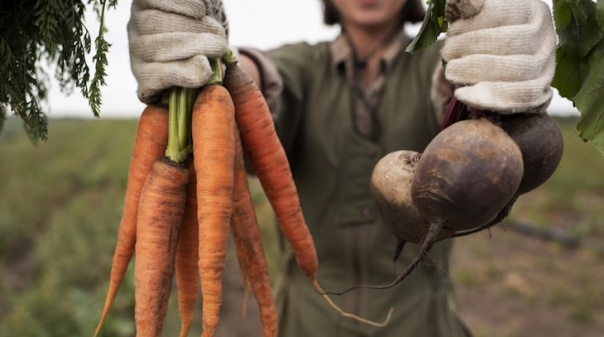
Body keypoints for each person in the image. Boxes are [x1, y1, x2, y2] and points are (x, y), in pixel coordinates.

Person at [127, 0, 557, 336]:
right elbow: (265, 81)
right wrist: (211, 64)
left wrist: (491, 63)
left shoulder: (437, 62)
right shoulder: (303, 65)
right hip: (307, 321)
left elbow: (453, 88)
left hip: (420, 320)